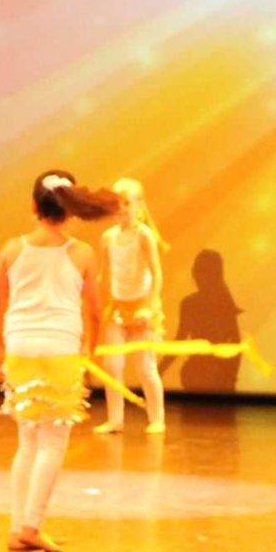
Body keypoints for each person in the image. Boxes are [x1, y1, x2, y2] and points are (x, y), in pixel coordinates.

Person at [0, 169, 120, 552]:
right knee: (51, 441)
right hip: (60, 347)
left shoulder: (11, 249)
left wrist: (4, 346)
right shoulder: (82, 253)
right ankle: (31, 526)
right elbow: (94, 311)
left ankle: (18, 527)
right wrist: (91, 350)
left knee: (27, 440)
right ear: (70, 207)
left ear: (34, 204)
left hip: (20, 347)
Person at [93, 176, 169, 435]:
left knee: (145, 367)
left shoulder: (143, 235)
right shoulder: (108, 237)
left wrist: (148, 307)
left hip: (142, 308)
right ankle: (115, 419)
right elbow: (104, 275)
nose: (121, 209)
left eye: (126, 203)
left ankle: (157, 418)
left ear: (138, 204)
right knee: (112, 365)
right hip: (118, 308)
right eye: (117, 203)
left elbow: (157, 274)